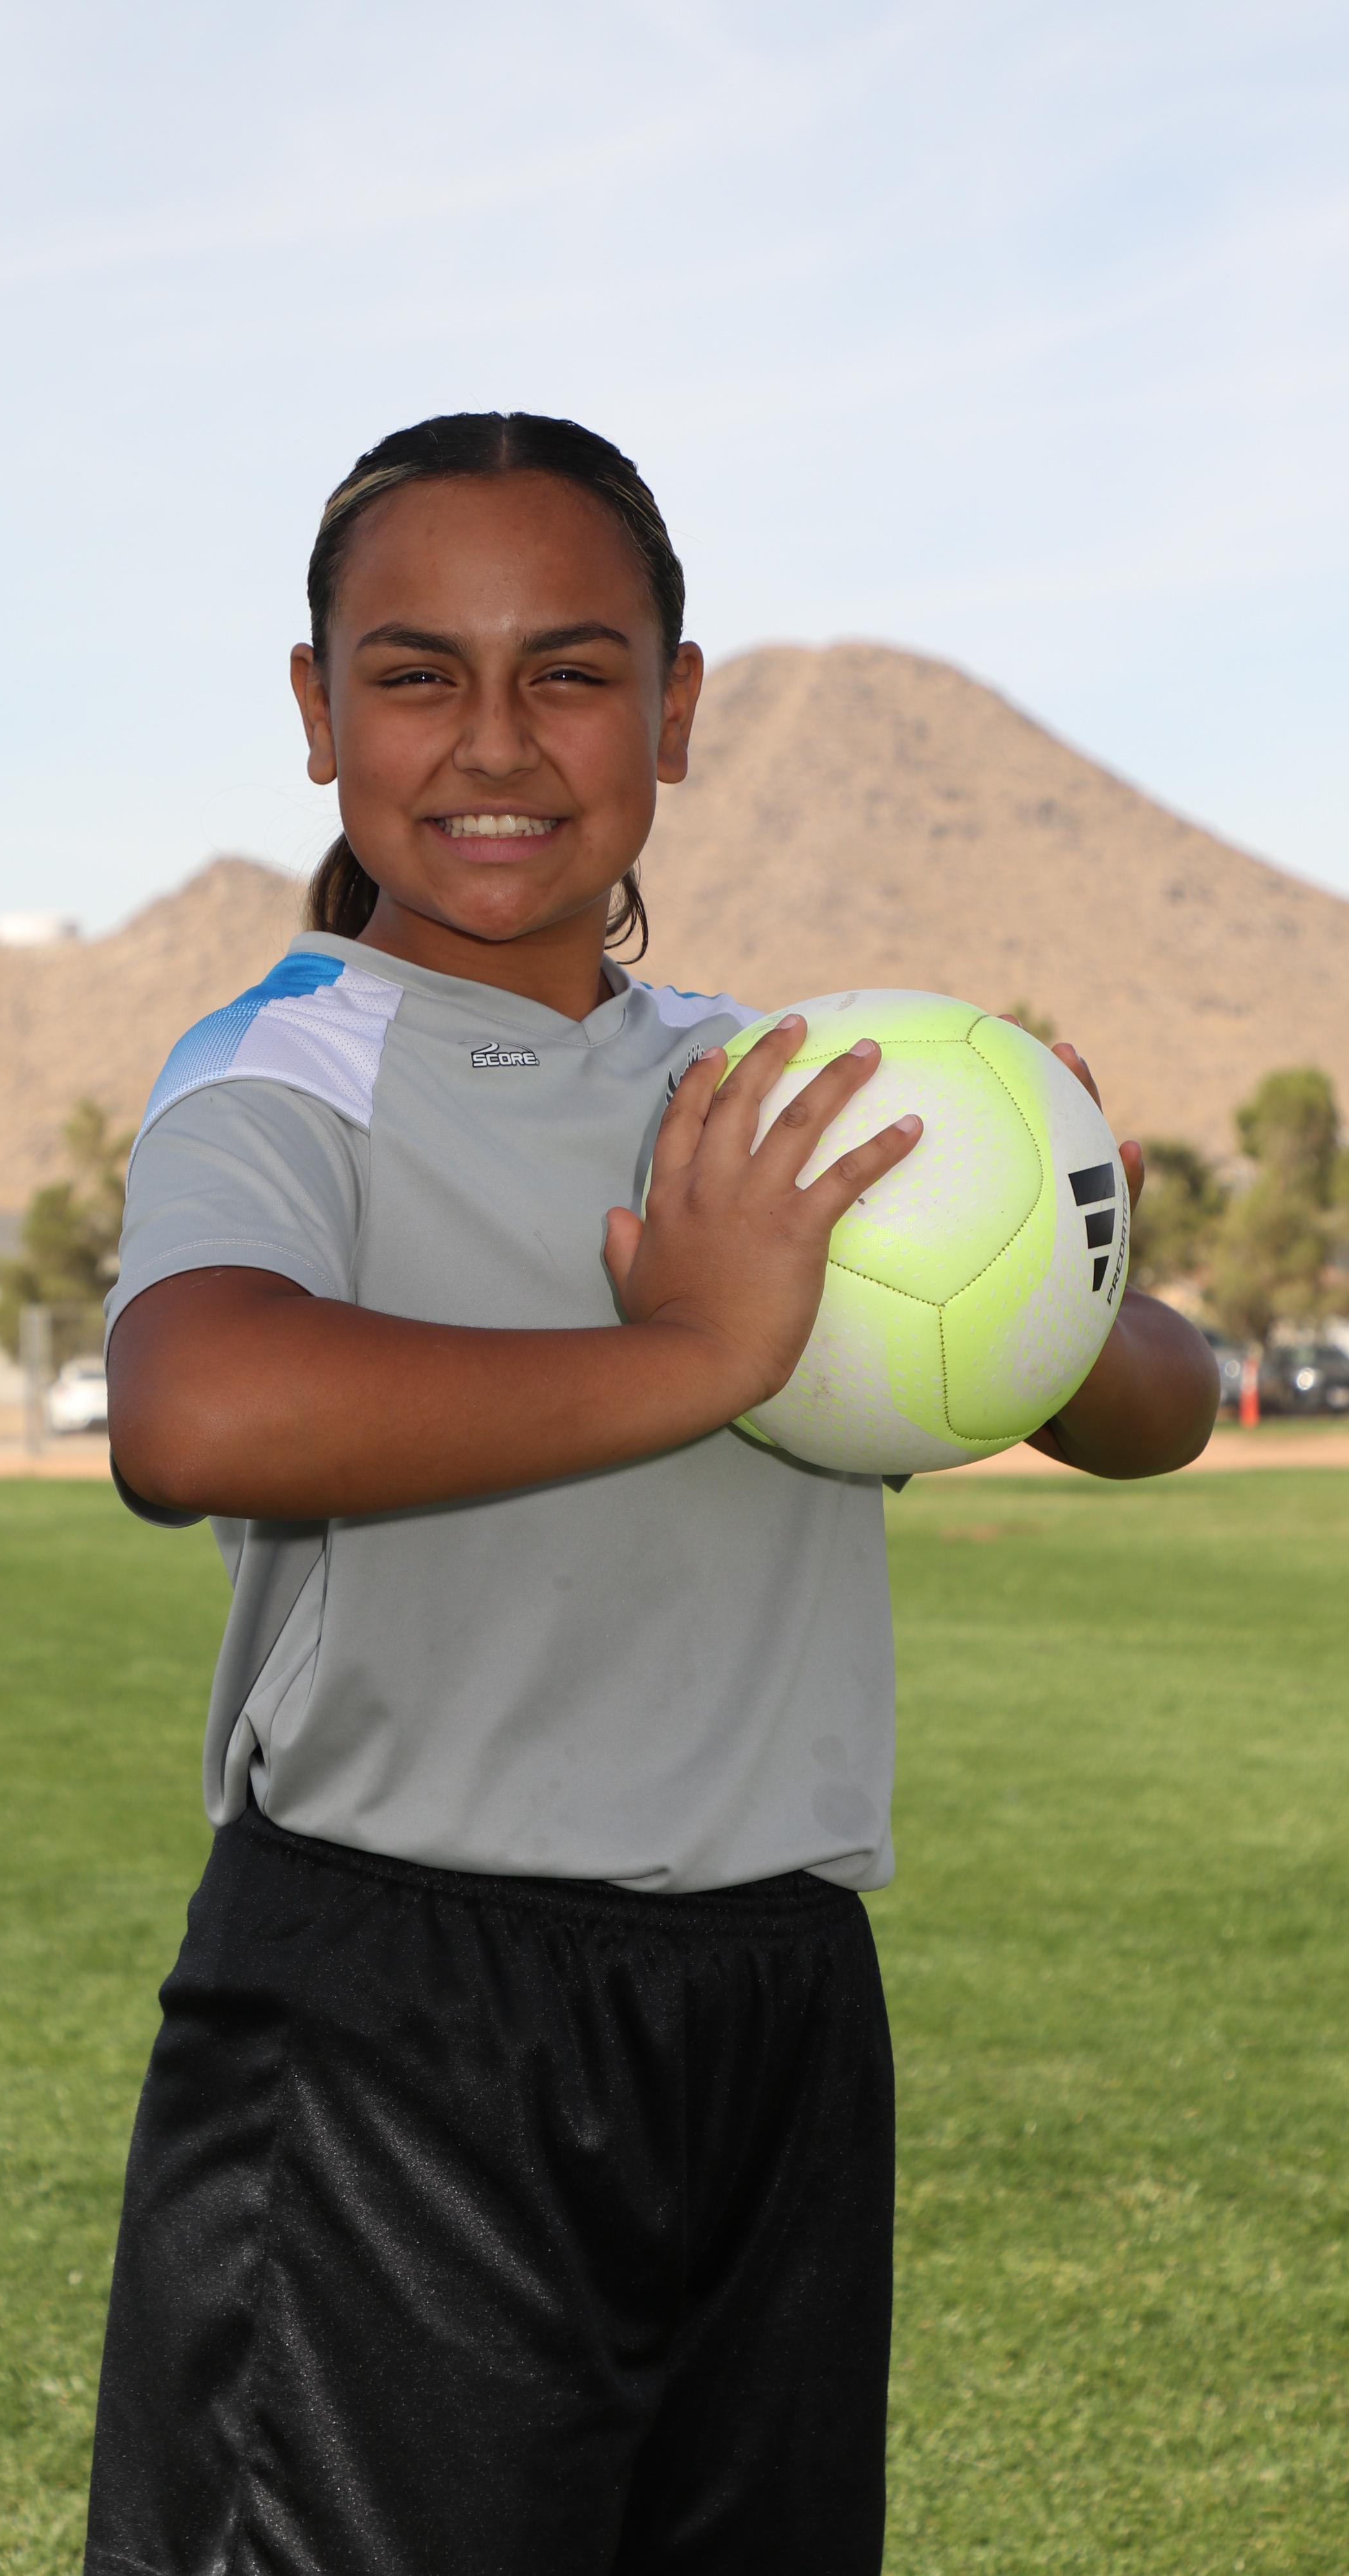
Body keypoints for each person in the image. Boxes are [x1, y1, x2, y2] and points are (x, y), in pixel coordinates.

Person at [83, 412, 1220, 2576]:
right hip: (401, 2025)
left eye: (572, 670)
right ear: (318, 714)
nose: (495, 740)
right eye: (417, 673)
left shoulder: (770, 1087)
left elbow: (1152, 1404)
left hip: (775, 2014)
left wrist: (1051, 1243)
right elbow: (193, 1414)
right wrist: (697, 1354)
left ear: (675, 712)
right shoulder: (284, 1065)